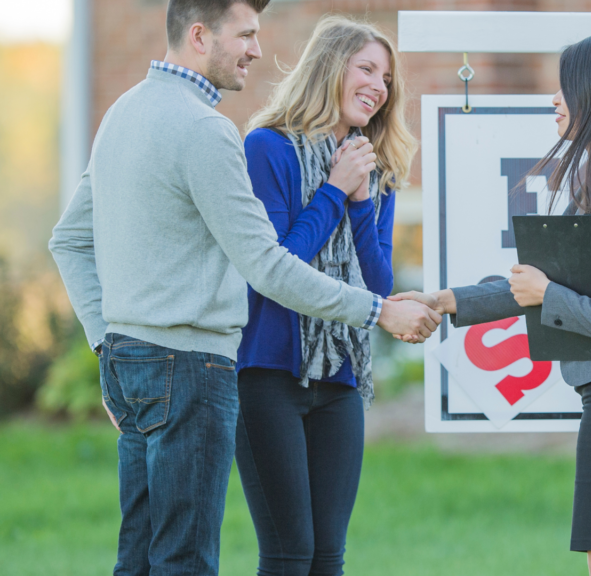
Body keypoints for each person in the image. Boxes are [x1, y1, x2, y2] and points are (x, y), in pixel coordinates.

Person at [48, 1, 438, 574]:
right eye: (247, 34)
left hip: (146, 359)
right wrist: (375, 308)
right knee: (187, 557)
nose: (258, 49)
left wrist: (110, 346)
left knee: (145, 555)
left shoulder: (123, 113)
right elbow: (269, 265)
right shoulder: (218, 133)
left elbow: (68, 241)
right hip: (203, 365)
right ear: (201, 36)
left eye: (386, 76)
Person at [392, 33, 591, 576]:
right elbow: (531, 285)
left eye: (568, 88)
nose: (555, 99)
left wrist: (551, 296)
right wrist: (443, 301)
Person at [231, 16, 415, 575]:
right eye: (366, 69)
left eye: (385, 77)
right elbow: (278, 264)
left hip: (337, 379)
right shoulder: (267, 150)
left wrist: (360, 200)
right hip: (267, 373)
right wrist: (333, 190)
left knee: (328, 558)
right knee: (289, 555)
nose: (379, 86)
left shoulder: (371, 168)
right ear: (330, 69)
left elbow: (376, 285)